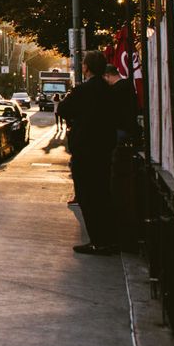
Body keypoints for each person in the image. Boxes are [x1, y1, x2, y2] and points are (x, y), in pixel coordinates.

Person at [57, 51, 120, 255]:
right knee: (103, 193)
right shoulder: (109, 89)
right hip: (104, 148)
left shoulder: (84, 90)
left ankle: (98, 241)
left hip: (86, 149)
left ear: (86, 67)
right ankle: (109, 238)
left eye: (83, 64)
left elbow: (64, 110)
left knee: (88, 196)